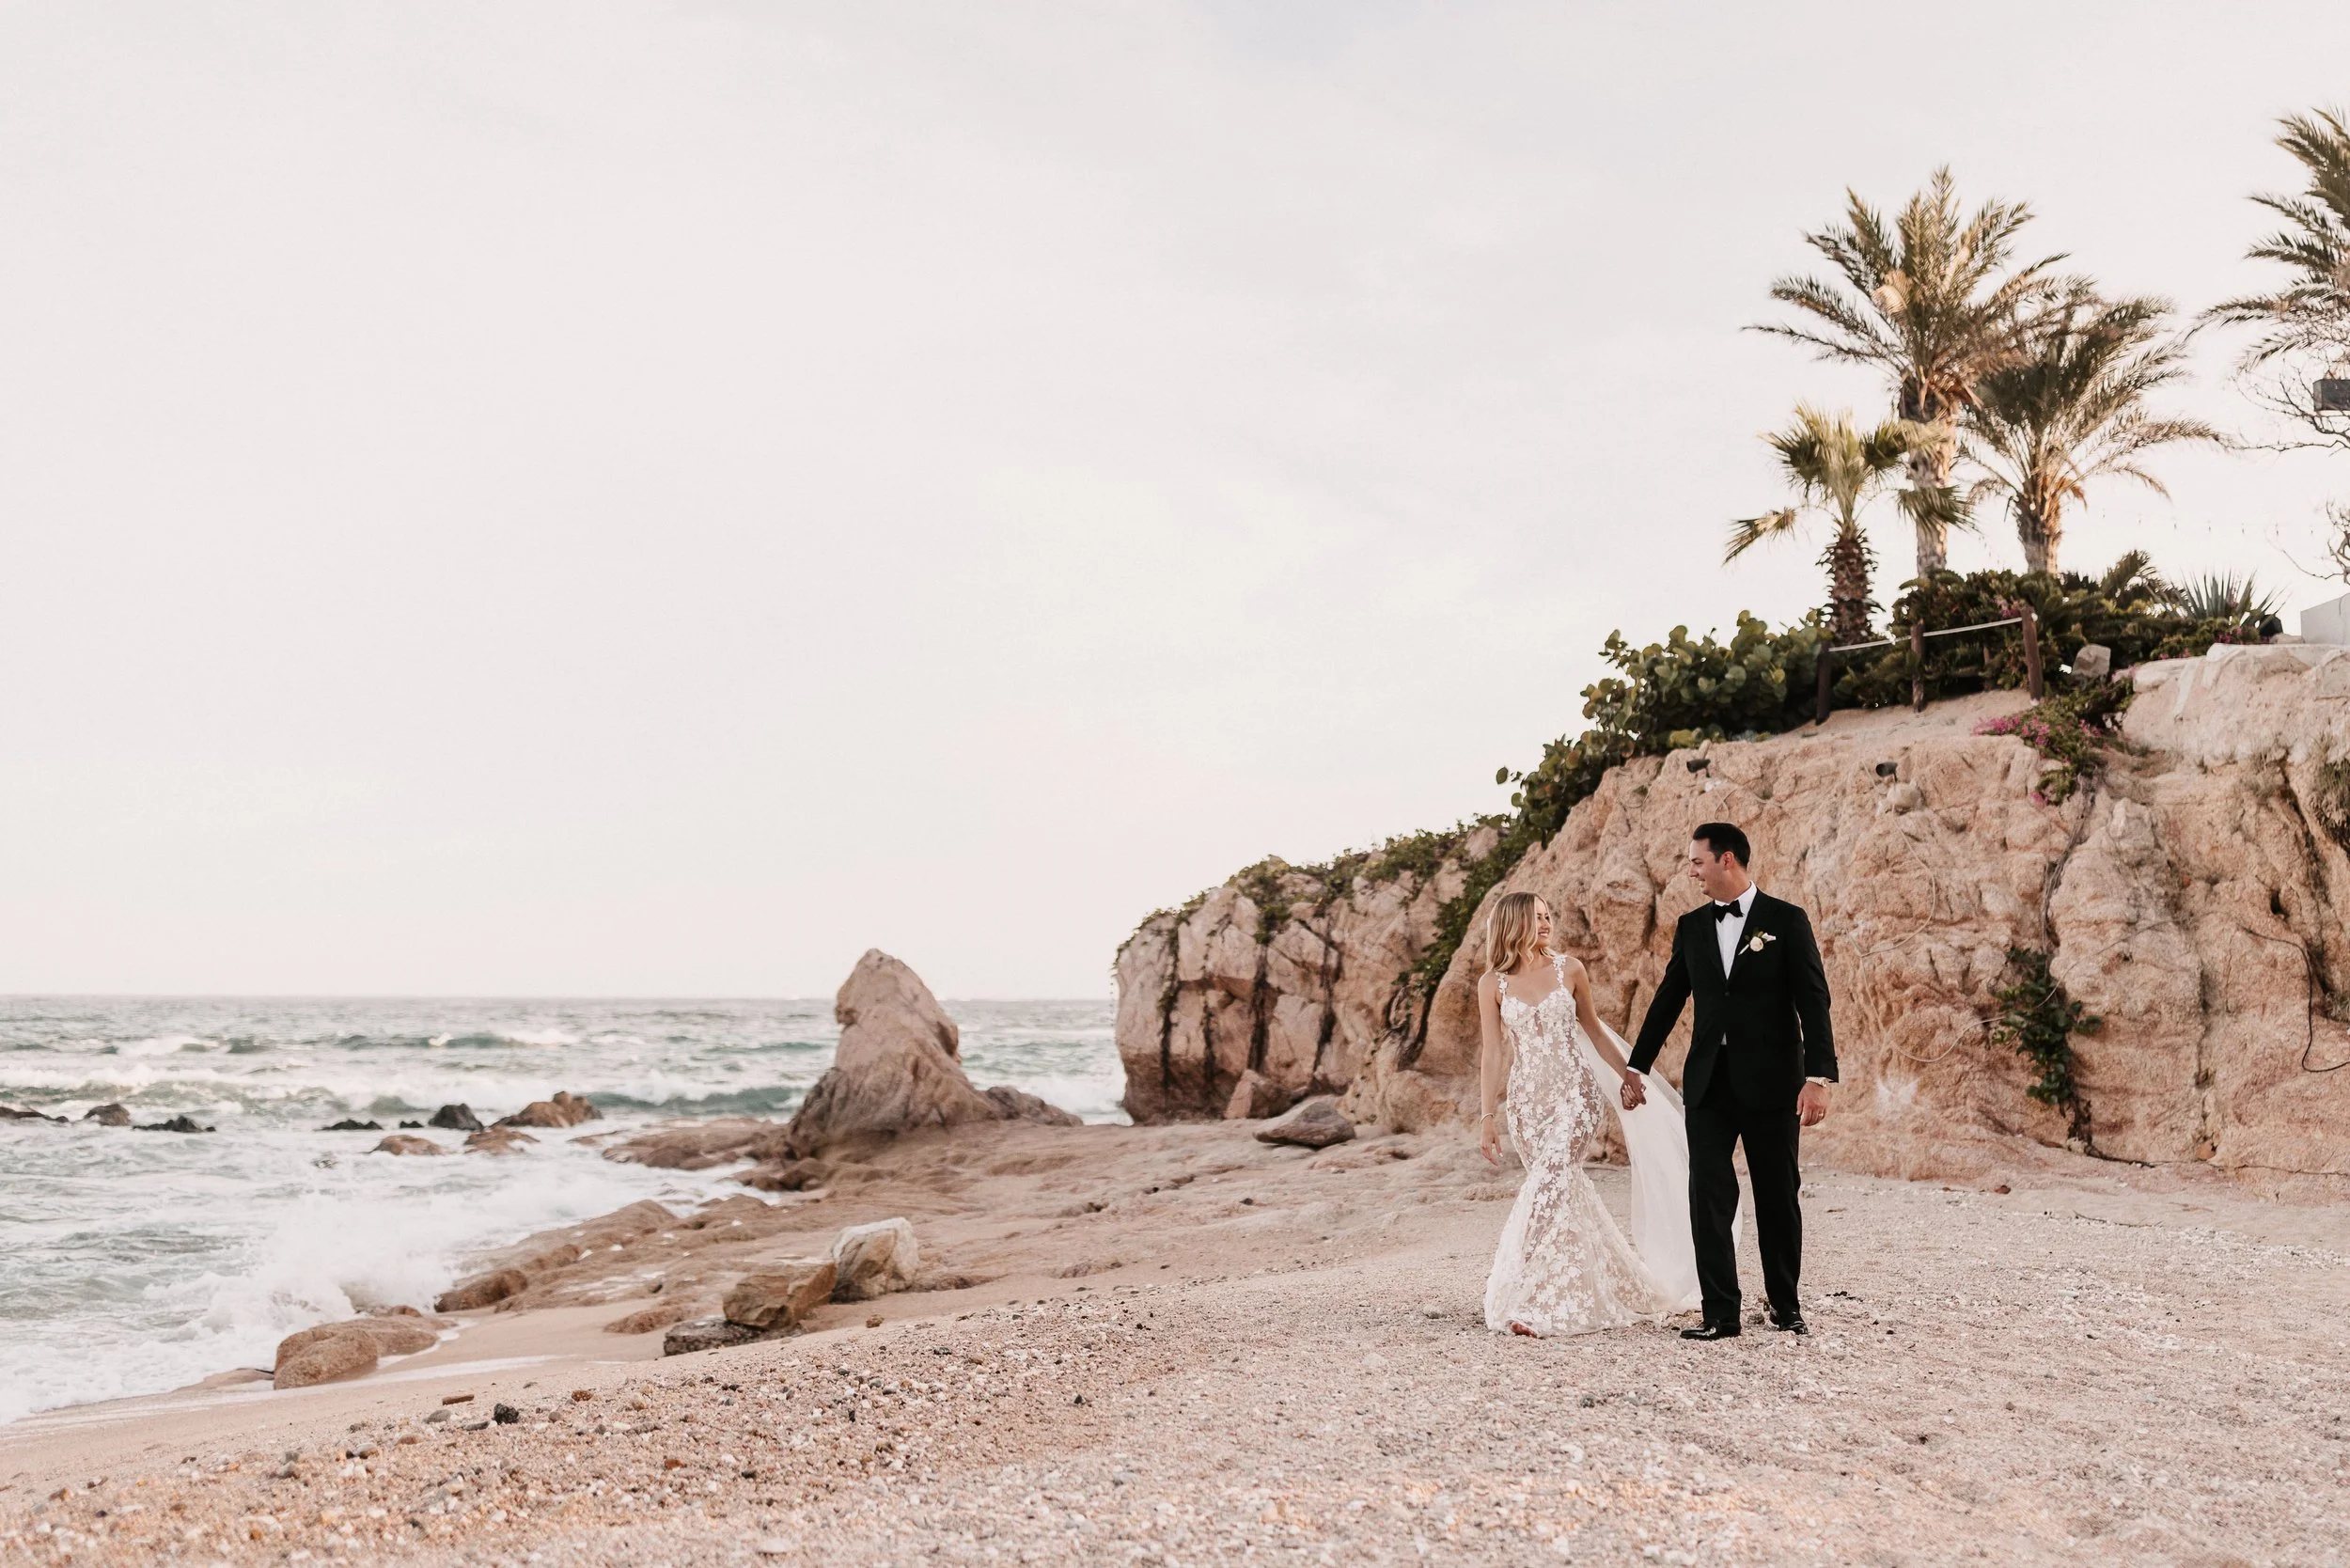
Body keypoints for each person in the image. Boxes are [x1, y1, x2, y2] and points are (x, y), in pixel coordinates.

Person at [1626, 822, 1836, 1341]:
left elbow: (1814, 1001)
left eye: (1697, 861)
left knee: (1778, 1196)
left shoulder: (1786, 920)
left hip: (1774, 1084)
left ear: (1727, 860)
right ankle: (1720, 1314)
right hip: (1709, 1085)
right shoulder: (1691, 926)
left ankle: (1786, 1306)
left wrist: (1818, 1077)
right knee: (1708, 1198)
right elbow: (1668, 1000)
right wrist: (1636, 1065)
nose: (1691, 872)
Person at [1477, 890, 1704, 1336]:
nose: (1547, 923)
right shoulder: (1492, 984)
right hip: (1526, 1104)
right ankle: (1608, 1283)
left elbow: (1595, 1032)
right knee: (1562, 1192)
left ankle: (1533, 1298)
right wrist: (1487, 1117)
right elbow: (1492, 1053)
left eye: (1548, 915)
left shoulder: (1571, 969)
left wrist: (1630, 1075)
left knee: (1548, 1185)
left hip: (1575, 1096)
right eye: (1537, 916)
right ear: (1513, 923)